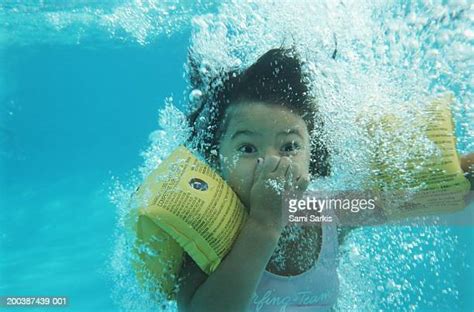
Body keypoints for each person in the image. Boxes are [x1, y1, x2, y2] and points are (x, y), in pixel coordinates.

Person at [175, 48, 474, 311]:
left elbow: (407, 198)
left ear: (311, 155)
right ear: (216, 157)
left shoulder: (324, 213)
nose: (272, 162)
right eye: (248, 148)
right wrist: (265, 223)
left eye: (290, 146)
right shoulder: (206, 229)